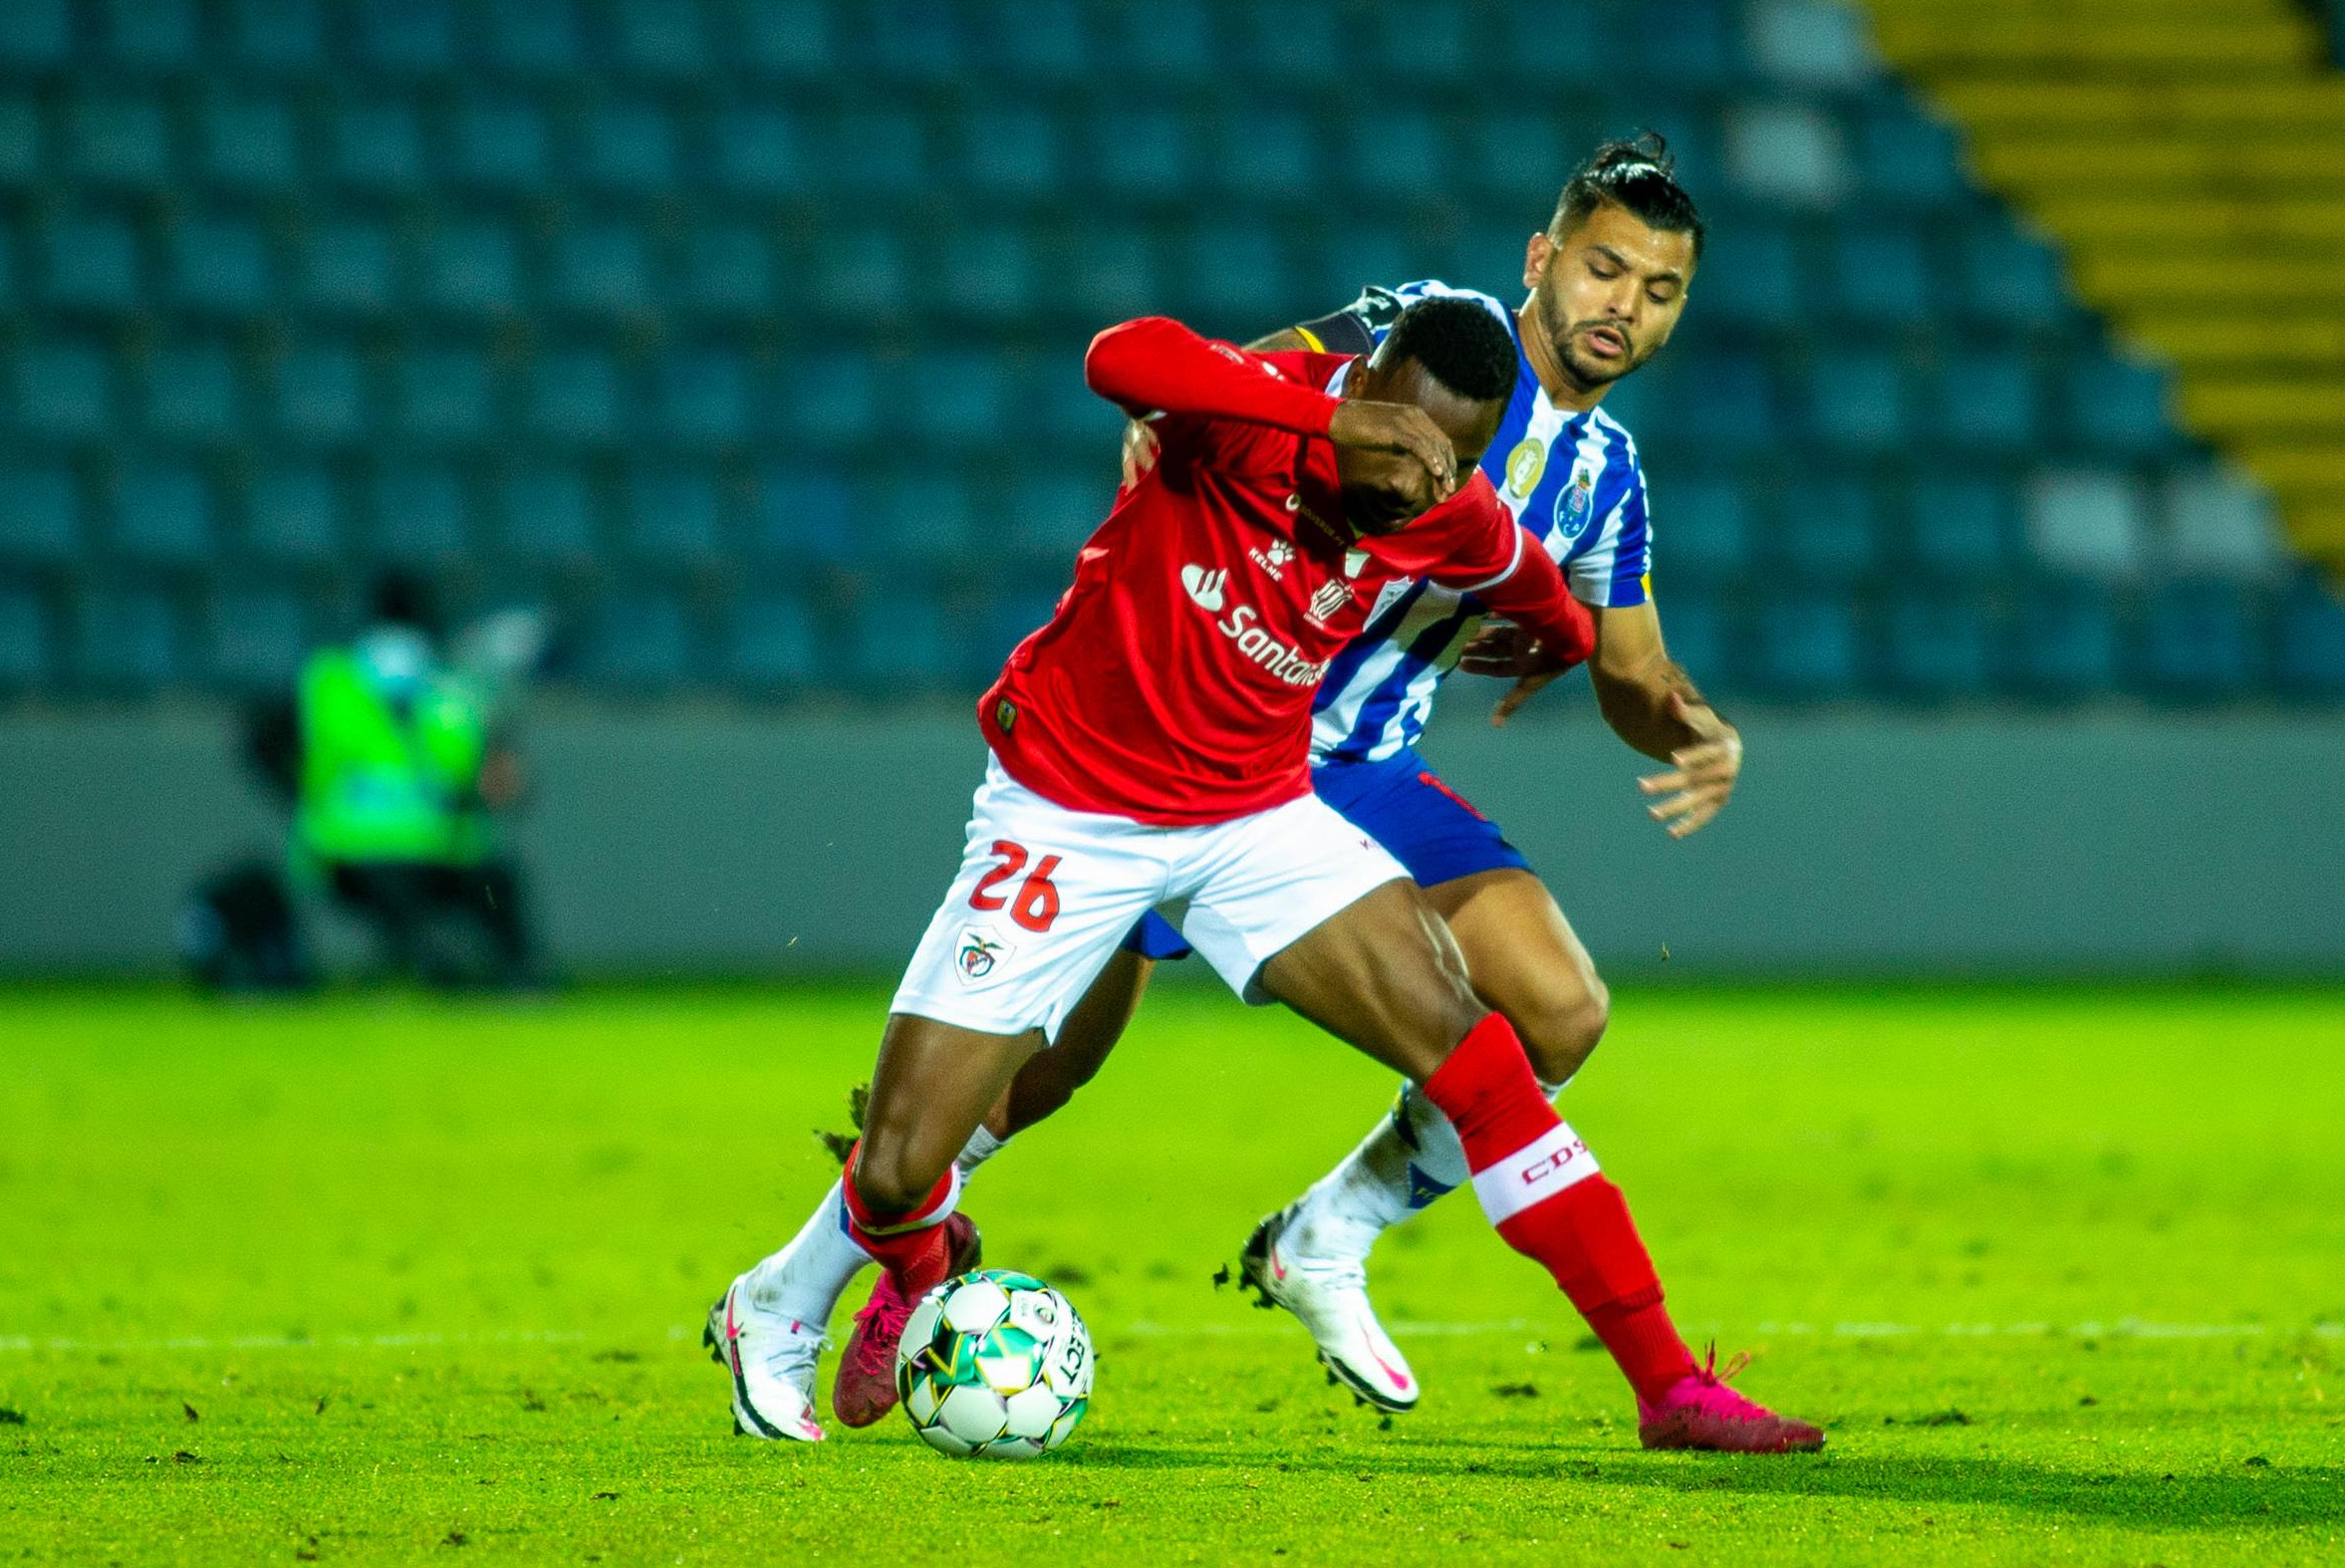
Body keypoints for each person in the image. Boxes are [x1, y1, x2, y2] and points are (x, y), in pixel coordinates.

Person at [706, 297, 1818, 1454]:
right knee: (900, 1165)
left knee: (1487, 1066)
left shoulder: (1453, 508)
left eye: (1448, 465)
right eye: (1399, 446)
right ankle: (824, 1287)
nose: (1412, 483)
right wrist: (1319, 420)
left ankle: (1666, 1387)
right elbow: (1113, 355)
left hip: (1255, 815)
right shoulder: (1240, 422)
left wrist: (1551, 640)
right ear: (1366, 385)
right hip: (1073, 806)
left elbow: (1543, 595)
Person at [220, 572, 540, 991]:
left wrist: (301, 796)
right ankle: (450, 970)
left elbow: (494, 780)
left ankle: (510, 977)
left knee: (491, 880)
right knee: (421, 886)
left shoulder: (340, 683)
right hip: (361, 854)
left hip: (420, 851)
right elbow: (499, 781)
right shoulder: (447, 690)